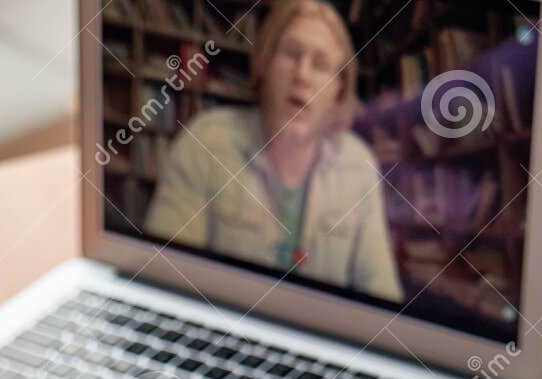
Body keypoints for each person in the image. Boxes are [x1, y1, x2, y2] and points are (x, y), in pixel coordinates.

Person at [144, 0, 402, 302]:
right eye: (291, 54)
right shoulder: (205, 142)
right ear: (264, 64)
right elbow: (162, 280)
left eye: (320, 64)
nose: (302, 75)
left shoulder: (359, 166)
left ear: (339, 90)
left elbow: (382, 296)